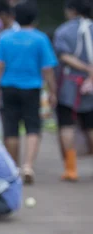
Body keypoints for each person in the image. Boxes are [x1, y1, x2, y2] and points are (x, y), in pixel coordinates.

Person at [0, 0, 58, 185]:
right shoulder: (40, 38)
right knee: (32, 126)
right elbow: (48, 68)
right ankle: (28, 165)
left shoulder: (4, 37)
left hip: (8, 88)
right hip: (32, 88)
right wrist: (52, 91)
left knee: (10, 127)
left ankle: (13, 168)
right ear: (35, 19)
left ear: (14, 17)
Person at [53, 0, 93, 181]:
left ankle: (71, 168)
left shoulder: (63, 31)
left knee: (67, 125)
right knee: (91, 125)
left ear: (72, 10)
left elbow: (63, 56)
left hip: (69, 86)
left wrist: (85, 68)